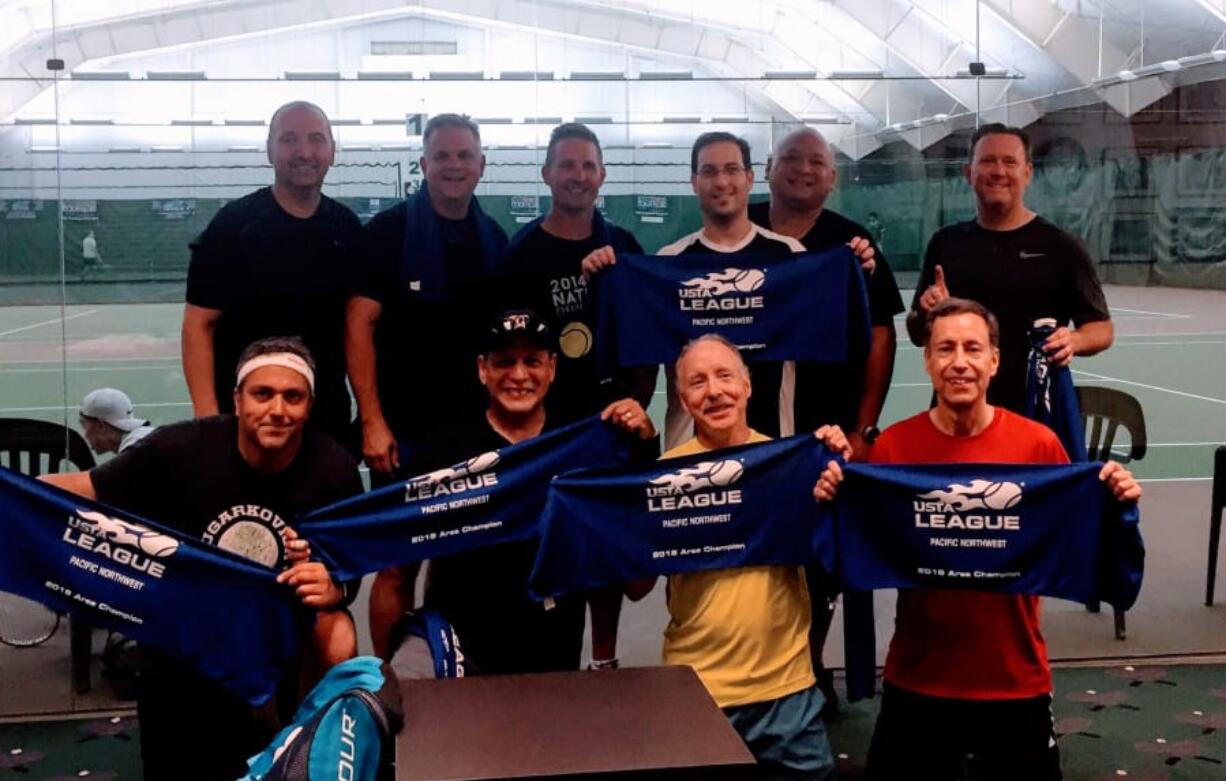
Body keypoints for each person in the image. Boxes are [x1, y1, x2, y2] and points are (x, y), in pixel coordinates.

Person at [815, 298, 1141, 780]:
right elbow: (854, 542)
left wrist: (1117, 502)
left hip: (1014, 679)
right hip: (917, 678)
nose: (959, 362)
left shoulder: (1038, 446)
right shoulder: (894, 448)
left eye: (973, 348)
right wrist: (831, 491)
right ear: (927, 361)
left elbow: (1077, 539)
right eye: (945, 349)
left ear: (995, 360)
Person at [42, 337, 363, 781]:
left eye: (293, 397)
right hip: (188, 630)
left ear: (309, 404)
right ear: (237, 398)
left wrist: (333, 584)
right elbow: (87, 488)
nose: (277, 410)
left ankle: (311, 751)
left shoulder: (334, 469)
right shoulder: (180, 449)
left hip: (277, 629)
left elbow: (347, 570)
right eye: (262, 394)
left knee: (338, 634)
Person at [370, 310, 657, 669]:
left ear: (552, 367)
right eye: (504, 362)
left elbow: (631, 578)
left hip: (551, 648)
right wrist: (381, 676)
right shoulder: (444, 449)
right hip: (454, 645)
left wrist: (644, 446)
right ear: (482, 369)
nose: (519, 375)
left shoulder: (584, 446)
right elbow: (396, 572)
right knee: (405, 707)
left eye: (532, 361)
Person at [629, 333, 845, 780]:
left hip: (787, 691)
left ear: (748, 386)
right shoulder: (664, 480)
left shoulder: (796, 465)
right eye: (697, 383)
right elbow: (636, 587)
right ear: (683, 401)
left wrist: (838, 479)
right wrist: (629, 523)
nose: (714, 391)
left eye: (725, 376)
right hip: (699, 688)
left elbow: (840, 559)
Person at [582, 131, 875, 450]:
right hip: (688, 452)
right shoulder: (668, 263)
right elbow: (631, 354)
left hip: (773, 449)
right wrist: (602, 279)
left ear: (750, 177)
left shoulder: (790, 256)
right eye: (709, 171)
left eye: (732, 169)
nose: (721, 182)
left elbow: (845, 330)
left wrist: (854, 272)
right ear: (694, 182)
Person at [749, 124, 905, 717]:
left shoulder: (853, 245)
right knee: (753, 555)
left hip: (827, 434)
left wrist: (864, 428)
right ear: (768, 168)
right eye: (791, 158)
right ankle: (757, 678)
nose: (803, 169)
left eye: (817, 162)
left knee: (820, 561)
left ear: (832, 177)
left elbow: (881, 335)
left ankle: (807, 669)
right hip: (750, 433)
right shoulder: (739, 230)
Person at [497, 122, 655, 670]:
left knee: (616, 556)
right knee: (548, 546)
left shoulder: (624, 247)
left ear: (602, 175)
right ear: (547, 174)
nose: (578, 176)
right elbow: (509, 351)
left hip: (611, 428)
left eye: (588, 166)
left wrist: (639, 404)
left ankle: (604, 660)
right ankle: (545, 659)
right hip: (546, 431)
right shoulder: (521, 255)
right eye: (567, 165)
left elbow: (645, 341)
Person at [182, 101, 361, 448]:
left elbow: (357, 331)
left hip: (325, 422)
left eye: (316, 139)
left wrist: (369, 414)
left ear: (332, 151)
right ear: (269, 150)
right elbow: (197, 326)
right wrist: (208, 422)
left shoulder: (347, 228)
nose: (304, 151)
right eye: (289, 139)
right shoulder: (233, 226)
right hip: (245, 425)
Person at [906, 123, 1113, 413]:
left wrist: (1074, 340)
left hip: (1035, 410)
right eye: (987, 161)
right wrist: (925, 311)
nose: (998, 172)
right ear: (969, 173)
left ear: (1027, 173)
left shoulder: (1061, 247)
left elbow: (1101, 329)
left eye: (1009, 162)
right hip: (957, 412)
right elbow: (917, 332)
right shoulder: (945, 244)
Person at [346, 113, 508, 481]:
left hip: (477, 432)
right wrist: (372, 422)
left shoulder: (494, 239)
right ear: (424, 165)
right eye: (442, 156)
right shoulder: (387, 232)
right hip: (403, 436)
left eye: (465, 156)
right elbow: (358, 325)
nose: (454, 166)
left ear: (481, 165)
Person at [79, 388, 155, 455]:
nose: (85, 435)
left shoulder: (134, 452)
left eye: (84, 425)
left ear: (101, 426)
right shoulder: (142, 440)